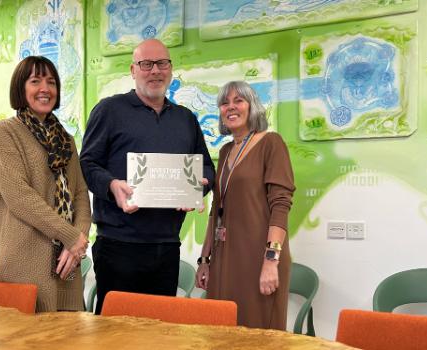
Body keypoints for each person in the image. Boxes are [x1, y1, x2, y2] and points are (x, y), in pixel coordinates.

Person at [80, 39, 216, 314]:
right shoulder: (109, 110)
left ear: (170, 68)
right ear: (133, 70)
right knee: (115, 334)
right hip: (118, 245)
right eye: (146, 64)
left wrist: (198, 187)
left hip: (166, 245)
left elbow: (207, 168)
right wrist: (111, 185)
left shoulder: (186, 119)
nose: (155, 70)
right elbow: (87, 163)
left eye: (161, 63)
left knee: (159, 331)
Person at [0, 56, 90, 312]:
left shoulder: (66, 140)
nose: (45, 88)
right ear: (21, 89)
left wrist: (79, 241)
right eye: (35, 81)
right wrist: (70, 236)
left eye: (51, 82)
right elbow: (19, 197)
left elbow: (80, 194)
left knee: (66, 340)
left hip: (66, 264)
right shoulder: (6, 132)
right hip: (24, 263)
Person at [195, 80, 295, 329]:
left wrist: (271, 260)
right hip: (223, 258)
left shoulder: (271, 143)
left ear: (252, 107)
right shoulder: (227, 150)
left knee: (257, 332)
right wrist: (204, 260)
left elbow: (280, 206)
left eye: (238, 100)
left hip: (258, 257)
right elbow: (216, 210)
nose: (231, 107)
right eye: (224, 103)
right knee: (222, 330)